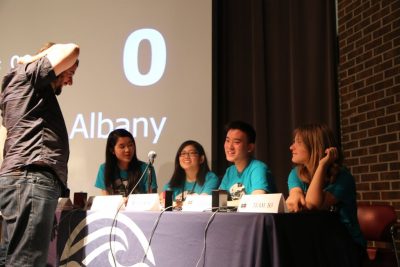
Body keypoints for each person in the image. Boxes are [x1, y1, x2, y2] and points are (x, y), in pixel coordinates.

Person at [0, 42, 80, 266]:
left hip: (22, 180)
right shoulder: (29, 72)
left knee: (13, 258)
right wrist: (34, 58)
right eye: (70, 72)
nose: (70, 81)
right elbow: (73, 48)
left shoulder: (22, 84)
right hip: (31, 179)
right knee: (27, 261)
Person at [285, 123, 366, 262]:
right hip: (316, 241)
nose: (291, 147)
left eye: (298, 142)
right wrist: (295, 196)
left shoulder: (343, 177)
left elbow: (312, 204)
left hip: (345, 244)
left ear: (315, 146)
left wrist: (322, 165)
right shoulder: (296, 173)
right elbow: (292, 202)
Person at [219, 121, 276, 200]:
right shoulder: (230, 171)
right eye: (227, 140)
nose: (230, 146)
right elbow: (218, 202)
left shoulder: (258, 168)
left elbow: (257, 201)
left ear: (250, 147)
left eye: (236, 142)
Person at [94, 129, 157, 196]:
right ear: (112, 150)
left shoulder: (146, 169)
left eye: (130, 145)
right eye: (122, 147)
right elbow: (106, 199)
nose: (127, 150)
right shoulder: (105, 169)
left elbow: (152, 198)